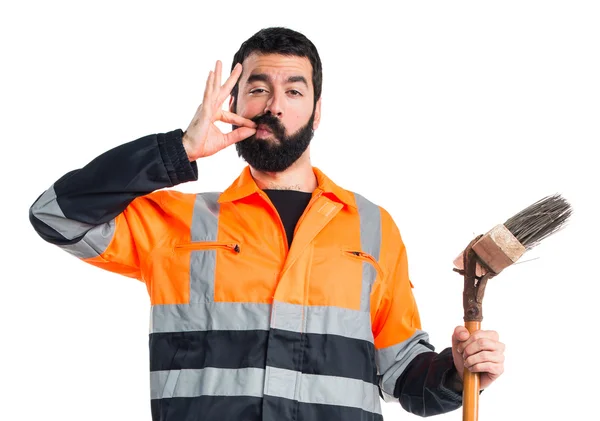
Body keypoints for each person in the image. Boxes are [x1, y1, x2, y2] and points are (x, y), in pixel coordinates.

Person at [29, 27, 505, 420]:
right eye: (258, 89)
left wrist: (454, 371)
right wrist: (180, 151)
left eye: (294, 90)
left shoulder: (372, 227)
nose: (275, 105)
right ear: (235, 103)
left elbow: (401, 373)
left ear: (317, 112)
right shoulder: (180, 223)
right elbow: (55, 214)